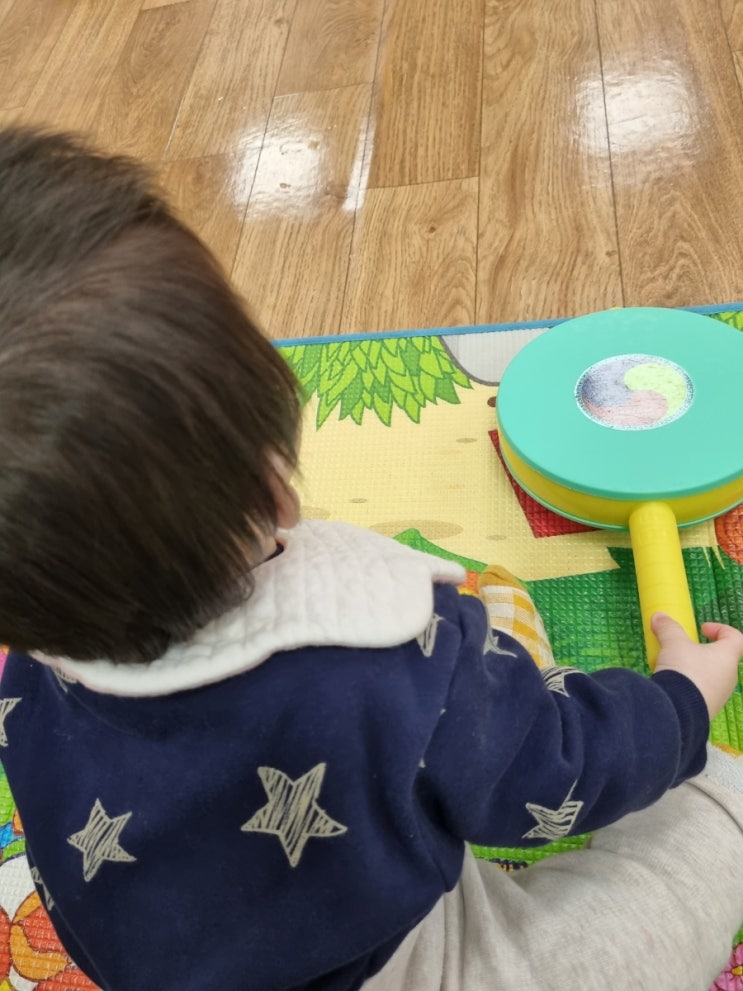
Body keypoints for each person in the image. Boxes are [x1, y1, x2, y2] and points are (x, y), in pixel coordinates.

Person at [0, 125, 742, 991]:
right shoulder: (391, 664)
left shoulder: (31, 669)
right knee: (716, 814)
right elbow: (552, 773)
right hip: (405, 967)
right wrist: (681, 700)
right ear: (273, 486)